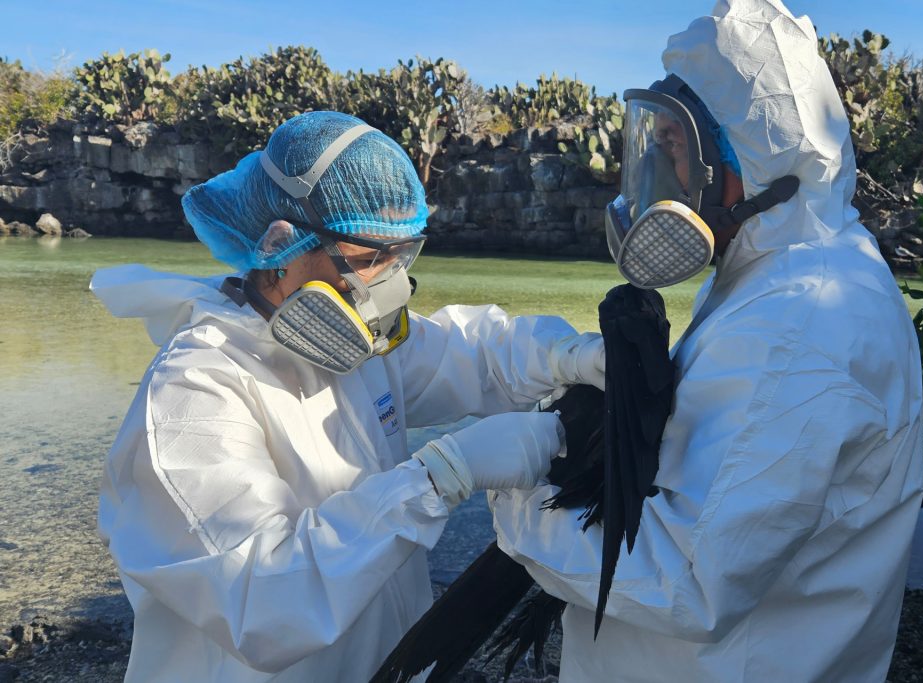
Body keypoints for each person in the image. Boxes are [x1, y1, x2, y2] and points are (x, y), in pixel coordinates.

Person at [490, 1, 923, 680]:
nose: (657, 177)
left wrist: (509, 493)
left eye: (672, 146)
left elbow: (685, 579)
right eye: (653, 144)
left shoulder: (803, 323)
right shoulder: (781, 272)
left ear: (747, 159)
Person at [90, 111, 604, 682]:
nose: (391, 283)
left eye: (400, 255)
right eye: (368, 258)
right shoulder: (193, 393)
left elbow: (473, 352)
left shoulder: (356, 350)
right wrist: (440, 476)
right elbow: (264, 601)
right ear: (281, 244)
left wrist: (575, 355)